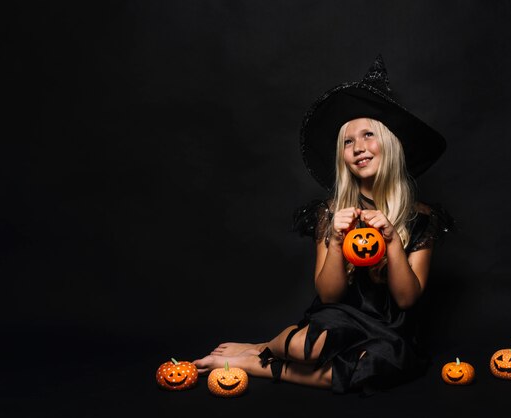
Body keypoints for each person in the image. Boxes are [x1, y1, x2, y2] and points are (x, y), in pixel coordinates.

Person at [193, 54, 454, 395]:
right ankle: (266, 345)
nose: (358, 147)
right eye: (348, 141)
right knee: (308, 348)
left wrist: (391, 240)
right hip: (340, 317)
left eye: (368, 135)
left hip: (393, 329)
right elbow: (329, 294)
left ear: (390, 144)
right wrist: (334, 239)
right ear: (342, 156)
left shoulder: (421, 217)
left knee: (374, 368)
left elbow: (406, 300)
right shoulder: (330, 211)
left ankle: (257, 362)